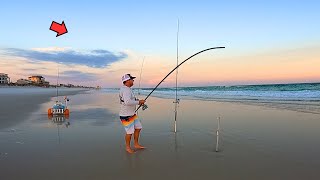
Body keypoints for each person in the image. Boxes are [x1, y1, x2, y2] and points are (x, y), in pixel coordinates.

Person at [119, 74, 146, 153]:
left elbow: (129, 100)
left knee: (138, 127)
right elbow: (127, 102)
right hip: (126, 115)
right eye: (132, 79)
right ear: (127, 81)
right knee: (129, 132)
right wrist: (139, 102)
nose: (133, 81)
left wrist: (138, 101)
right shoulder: (126, 90)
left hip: (132, 114)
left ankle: (136, 144)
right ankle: (127, 147)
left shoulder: (126, 89)